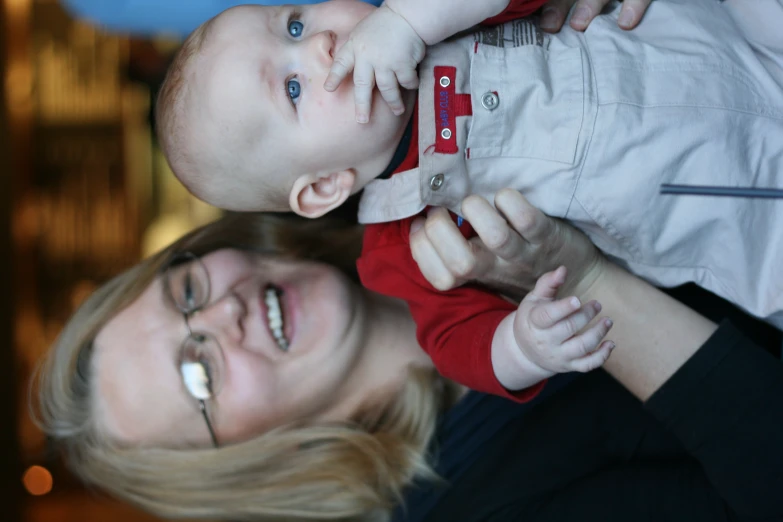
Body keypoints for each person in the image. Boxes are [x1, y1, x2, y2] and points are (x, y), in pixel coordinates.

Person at [155, 0, 783, 399]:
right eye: (292, 87)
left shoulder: (438, 15)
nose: (317, 43)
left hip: (738, 44)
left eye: (293, 22)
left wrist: (409, 20)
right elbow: (455, 341)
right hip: (740, 216)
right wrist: (522, 346)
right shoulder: (402, 244)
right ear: (325, 186)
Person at [35, 188, 783, 522]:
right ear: (243, 460)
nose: (220, 316)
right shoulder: (476, 508)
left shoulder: (398, 185)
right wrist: (589, 282)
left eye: (188, 291)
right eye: (198, 374)